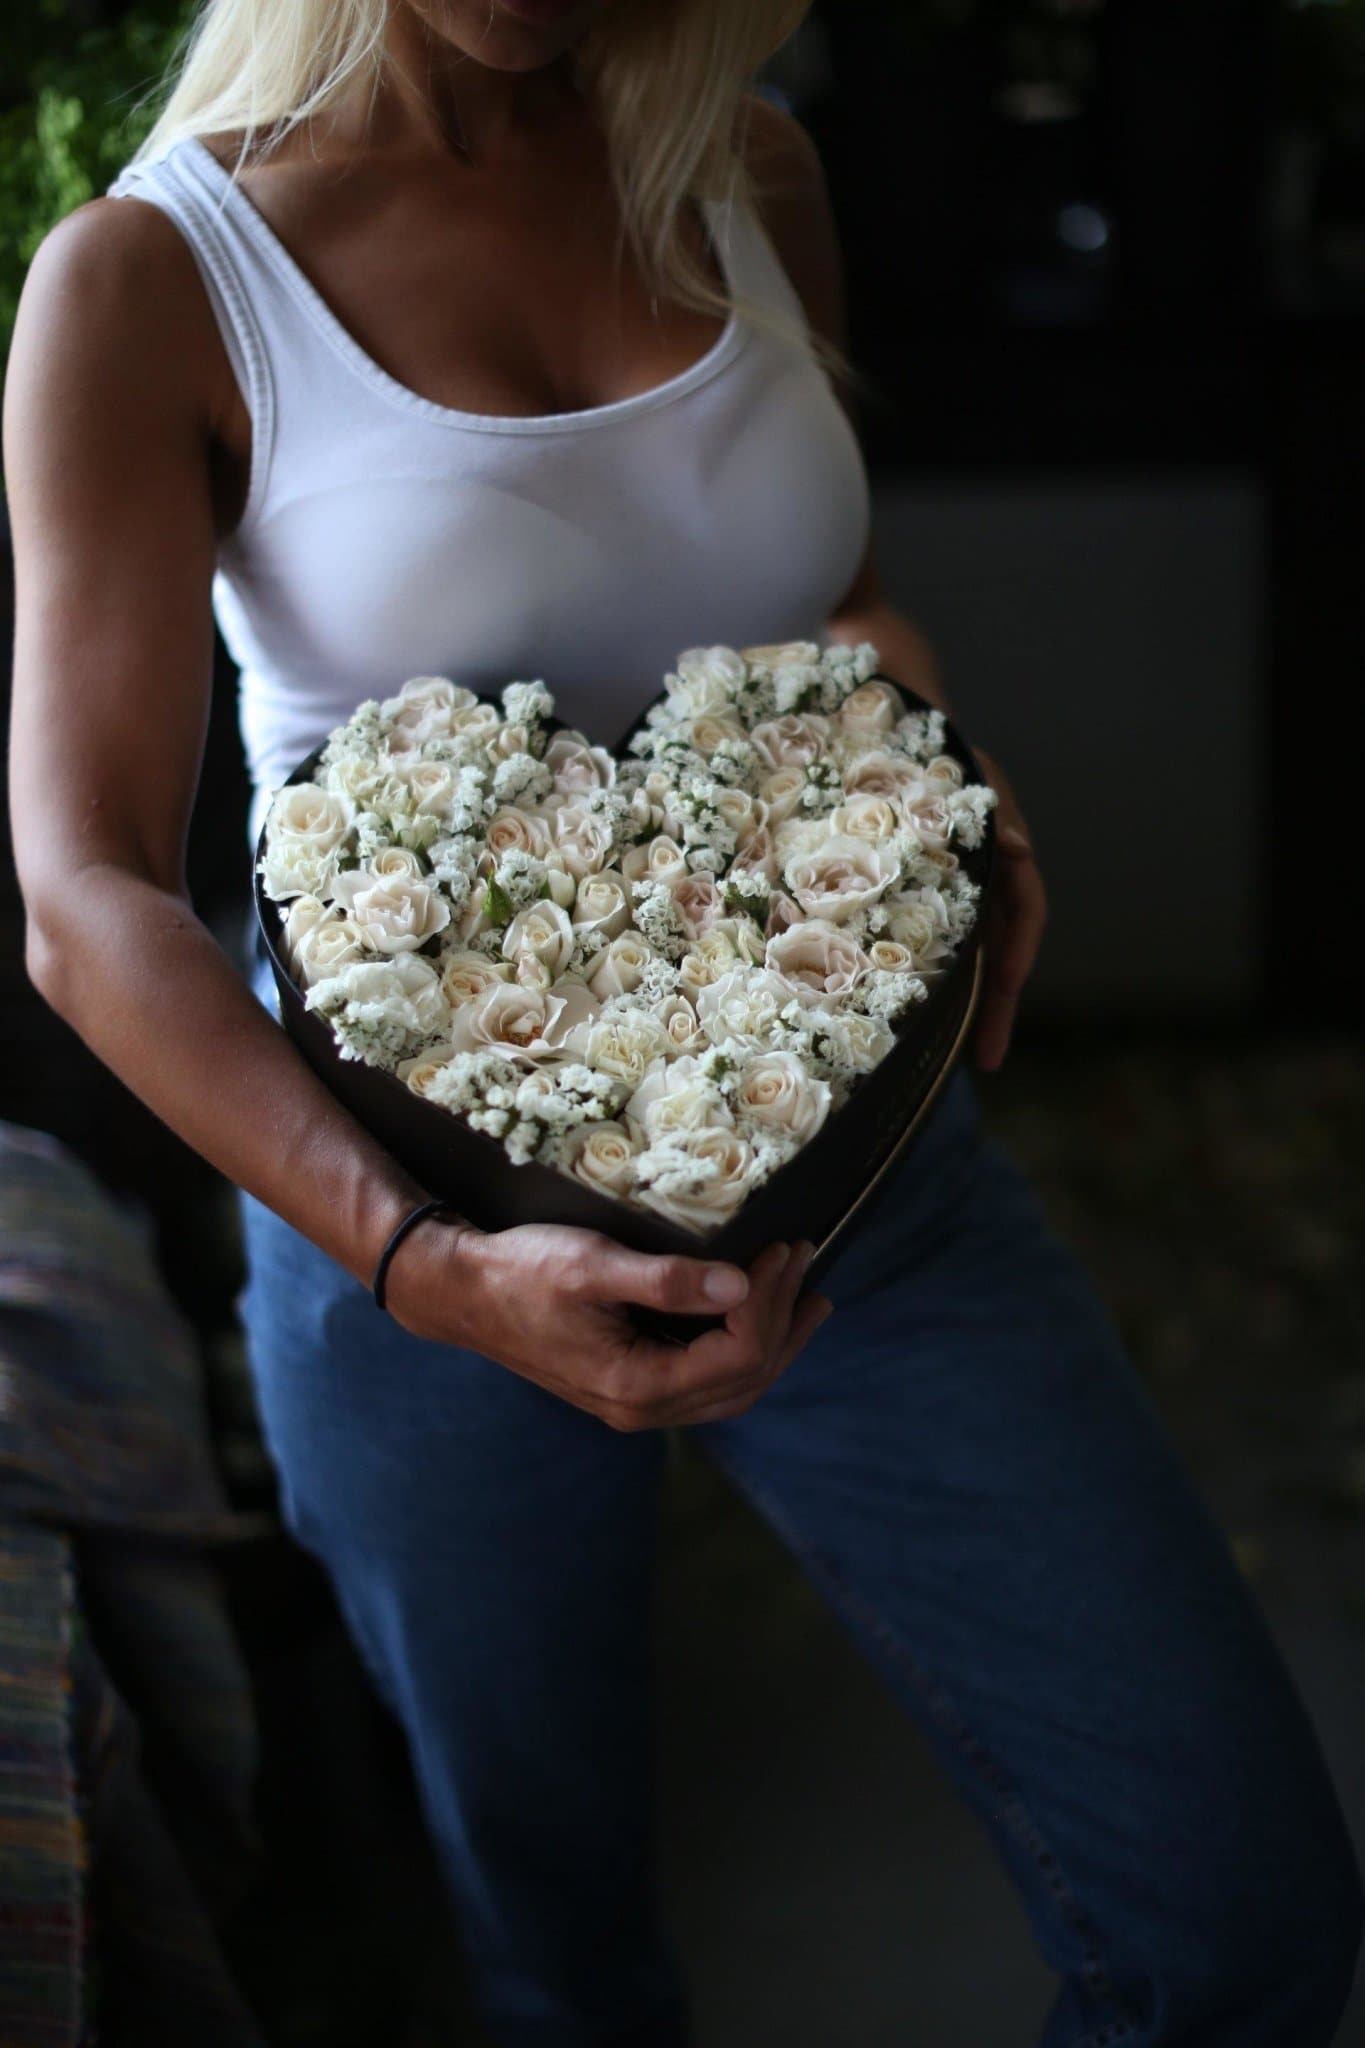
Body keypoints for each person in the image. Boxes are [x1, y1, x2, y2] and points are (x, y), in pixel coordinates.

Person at [6, 3, 1360, 2043]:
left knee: (1239, 1902)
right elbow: (86, 897)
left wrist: (935, 776)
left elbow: (829, 607)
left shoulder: (745, 172)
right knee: (563, 1970)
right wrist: (419, 1262)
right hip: (405, 1225)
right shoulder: (157, 279)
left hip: (861, 1182)